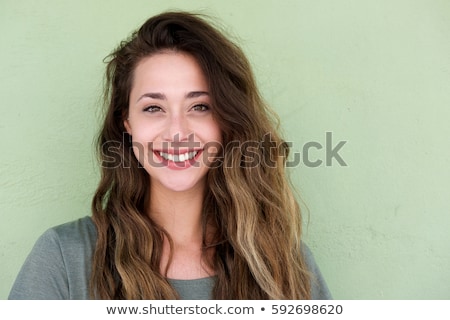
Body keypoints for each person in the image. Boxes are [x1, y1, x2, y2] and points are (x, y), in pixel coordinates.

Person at [9, 11, 332, 300]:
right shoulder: (63, 257)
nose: (177, 132)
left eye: (200, 106)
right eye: (153, 108)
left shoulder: (284, 264)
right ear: (127, 124)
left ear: (227, 123)